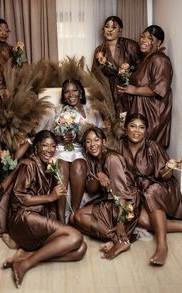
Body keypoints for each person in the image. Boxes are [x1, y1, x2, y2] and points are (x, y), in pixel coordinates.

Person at [4, 130, 87, 288]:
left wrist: (55, 174)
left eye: (53, 146)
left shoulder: (49, 166)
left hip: (39, 220)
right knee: (75, 237)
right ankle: (25, 264)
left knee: (80, 250)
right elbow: (19, 198)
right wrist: (51, 197)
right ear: (36, 147)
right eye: (45, 145)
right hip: (23, 219)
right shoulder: (28, 164)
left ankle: (28, 256)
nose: (49, 149)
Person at [118, 113, 182, 265]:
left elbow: (164, 176)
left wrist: (168, 167)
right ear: (126, 128)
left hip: (161, 188)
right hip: (139, 192)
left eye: (141, 127)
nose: (136, 131)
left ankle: (162, 246)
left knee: (152, 191)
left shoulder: (152, 146)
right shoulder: (119, 146)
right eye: (133, 126)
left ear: (146, 131)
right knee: (142, 220)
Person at [70, 126, 140, 259]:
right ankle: (119, 239)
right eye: (88, 141)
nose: (92, 145)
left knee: (78, 217)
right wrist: (98, 174)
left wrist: (120, 224)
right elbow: (91, 189)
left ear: (104, 141)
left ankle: (120, 240)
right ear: (85, 145)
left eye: (96, 140)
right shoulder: (92, 160)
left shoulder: (111, 158)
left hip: (126, 205)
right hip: (111, 201)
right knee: (74, 219)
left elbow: (122, 194)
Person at [53, 78, 105, 223]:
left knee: (80, 166)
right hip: (62, 148)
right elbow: (47, 136)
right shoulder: (57, 110)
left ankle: (74, 214)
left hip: (82, 150)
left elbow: (101, 134)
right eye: (66, 91)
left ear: (80, 92)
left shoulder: (92, 112)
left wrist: (85, 137)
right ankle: (60, 217)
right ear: (63, 95)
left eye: (74, 90)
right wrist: (60, 138)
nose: (71, 94)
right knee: (61, 167)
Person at [118, 25, 172, 148]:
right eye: (142, 37)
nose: (143, 40)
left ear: (158, 42)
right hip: (140, 110)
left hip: (152, 114)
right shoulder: (145, 59)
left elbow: (160, 89)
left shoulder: (159, 59)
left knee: (148, 149)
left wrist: (134, 90)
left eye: (149, 38)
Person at [92, 16, 141, 118]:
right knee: (111, 125)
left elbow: (141, 69)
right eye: (107, 26)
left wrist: (127, 74)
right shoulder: (99, 50)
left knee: (129, 124)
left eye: (113, 27)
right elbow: (95, 75)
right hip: (108, 94)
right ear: (103, 29)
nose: (109, 30)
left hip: (128, 94)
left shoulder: (131, 45)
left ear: (120, 30)